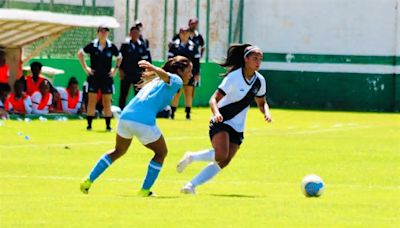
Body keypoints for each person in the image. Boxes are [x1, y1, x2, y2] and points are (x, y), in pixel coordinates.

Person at [80, 56, 192, 197]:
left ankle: (88, 181)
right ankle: (145, 191)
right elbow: (167, 76)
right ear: (180, 71)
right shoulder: (177, 80)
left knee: (118, 151)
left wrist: (154, 70)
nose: (191, 74)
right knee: (161, 153)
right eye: (189, 71)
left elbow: (164, 77)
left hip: (125, 117)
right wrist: (154, 68)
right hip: (142, 121)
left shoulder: (156, 81)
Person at [176, 44, 272, 194]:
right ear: (246, 59)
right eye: (255, 58)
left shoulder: (260, 80)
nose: (258, 62)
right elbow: (213, 99)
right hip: (222, 119)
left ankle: (190, 185)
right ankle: (191, 157)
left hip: (238, 126)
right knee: (221, 154)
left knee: (224, 161)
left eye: (260, 59)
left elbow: (261, 102)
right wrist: (216, 114)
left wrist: (266, 112)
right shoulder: (234, 77)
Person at [78, 25, 122, 131]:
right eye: (101, 31)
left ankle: (108, 125)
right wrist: (86, 68)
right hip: (94, 76)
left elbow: (119, 57)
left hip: (106, 78)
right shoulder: (92, 45)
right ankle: (89, 125)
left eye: (106, 31)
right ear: (98, 33)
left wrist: (115, 70)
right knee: (92, 100)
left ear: (108, 33)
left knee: (107, 101)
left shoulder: (111, 46)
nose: (103, 33)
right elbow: (80, 54)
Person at [168, 26, 200, 120]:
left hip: (189, 74)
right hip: (177, 73)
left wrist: (197, 73)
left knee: (188, 93)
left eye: (186, 32)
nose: (184, 34)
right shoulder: (174, 45)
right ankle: (172, 113)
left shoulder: (193, 46)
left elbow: (196, 61)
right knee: (176, 93)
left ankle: (188, 114)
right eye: (182, 32)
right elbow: (169, 59)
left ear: (189, 34)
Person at [119, 25, 151, 109]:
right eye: (133, 32)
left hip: (138, 74)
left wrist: (146, 72)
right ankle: (121, 110)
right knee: (123, 94)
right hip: (127, 74)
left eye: (136, 32)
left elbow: (146, 60)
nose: (135, 34)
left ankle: (137, 110)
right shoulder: (125, 45)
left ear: (139, 34)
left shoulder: (142, 45)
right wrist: (120, 70)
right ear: (130, 33)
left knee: (139, 94)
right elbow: (120, 59)